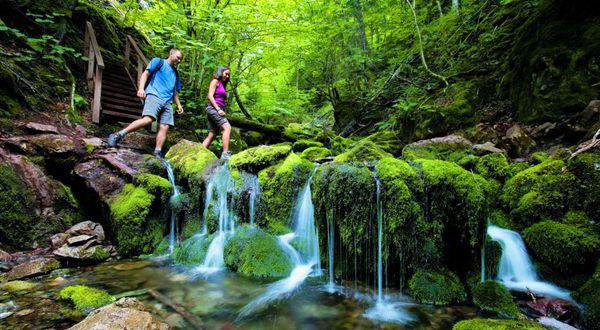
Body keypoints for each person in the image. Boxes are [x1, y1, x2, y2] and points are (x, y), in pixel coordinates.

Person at [107, 47, 184, 157]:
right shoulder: (159, 62)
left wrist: (179, 105)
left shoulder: (176, 74)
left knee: (165, 127)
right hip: (154, 95)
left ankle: (157, 152)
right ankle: (117, 135)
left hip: (168, 102)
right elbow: (145, 74)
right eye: (178, 57)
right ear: (171, 54)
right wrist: (141, 89)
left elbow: (175, 91)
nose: (179, 60)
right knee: (148, 119)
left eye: (181, 59)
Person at [202, 66, 232, 159]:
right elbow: (210, 96)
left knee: (212, 134)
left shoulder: (222, 84)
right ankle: (225, 154)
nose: (227, 76)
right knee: (227, 127)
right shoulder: (215, 81)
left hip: (215, 109)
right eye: (226, 74)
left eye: (228, 75)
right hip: (213, 109)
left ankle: (198, 153)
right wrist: (218, 109)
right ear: (221, 72)